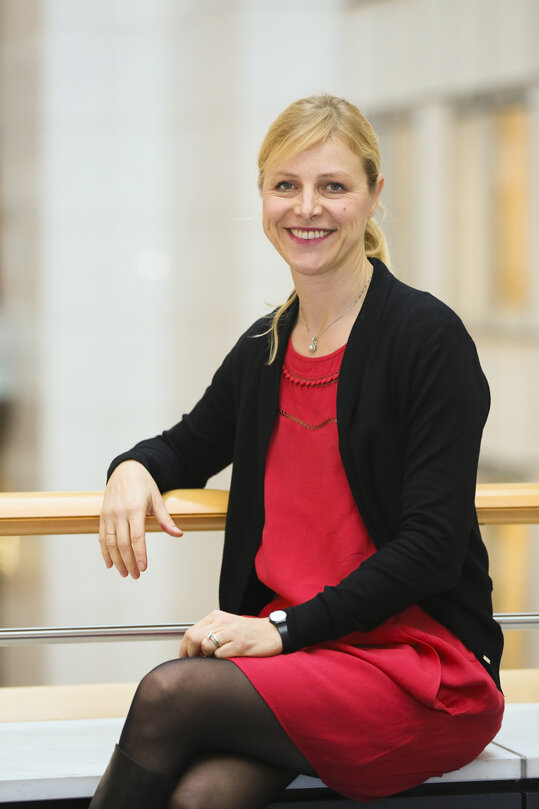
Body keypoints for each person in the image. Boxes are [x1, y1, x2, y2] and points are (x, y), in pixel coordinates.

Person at [90, 94, 504, 809]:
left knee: (169, 691)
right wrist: (130, 468)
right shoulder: (265, 347)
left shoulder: (426, 339)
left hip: (420, 666)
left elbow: (432, 546)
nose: (305, 208)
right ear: (262, 195)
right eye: (286, 185)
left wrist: (280, 628)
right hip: (304, 654)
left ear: (374, 196)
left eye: (332, 186)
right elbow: (183, 447)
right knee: (201, 796)